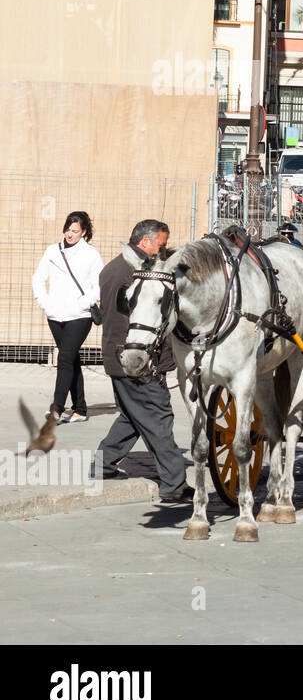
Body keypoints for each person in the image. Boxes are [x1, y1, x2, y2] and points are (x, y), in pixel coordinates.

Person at [96, 219, 191, 501]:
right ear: (145, 242)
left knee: (132, 415)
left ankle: (102, 463)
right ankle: (174, 485)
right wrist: (150, 361)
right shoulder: (137, 272)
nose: (163, 252)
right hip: (135, 360)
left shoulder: (116, 267)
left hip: (121, 356)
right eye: (161, 245)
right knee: (158, 416)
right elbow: (133, 322)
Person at [32, 211, 103, 423]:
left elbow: (98, 285)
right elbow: (38, 278)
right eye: (68, 229)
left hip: (79, 316)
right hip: (55, 315)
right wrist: (45, 303)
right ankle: (80, 409)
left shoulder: (91, 254)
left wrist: (83, 304)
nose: (70, 234)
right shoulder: (52, 251)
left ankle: (56, 408)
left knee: (64, 358)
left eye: (75, 231)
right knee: (71, 359)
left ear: (84, 232)